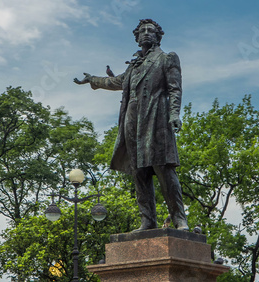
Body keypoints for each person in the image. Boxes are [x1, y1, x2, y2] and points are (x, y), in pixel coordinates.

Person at [74, 19, 189, 232]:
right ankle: (148, 221)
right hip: (131, 120)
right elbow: (114, 82)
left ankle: (179, 220)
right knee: (139, 172)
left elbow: (175, 89)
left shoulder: (167, 58)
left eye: (151, 30)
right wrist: (93, 80)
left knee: (164, 169)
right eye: (142, 31)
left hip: (156, 117)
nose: (146, 33)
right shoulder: (133, 67)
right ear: (136, 37)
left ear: (158, 36)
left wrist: (174, 114)